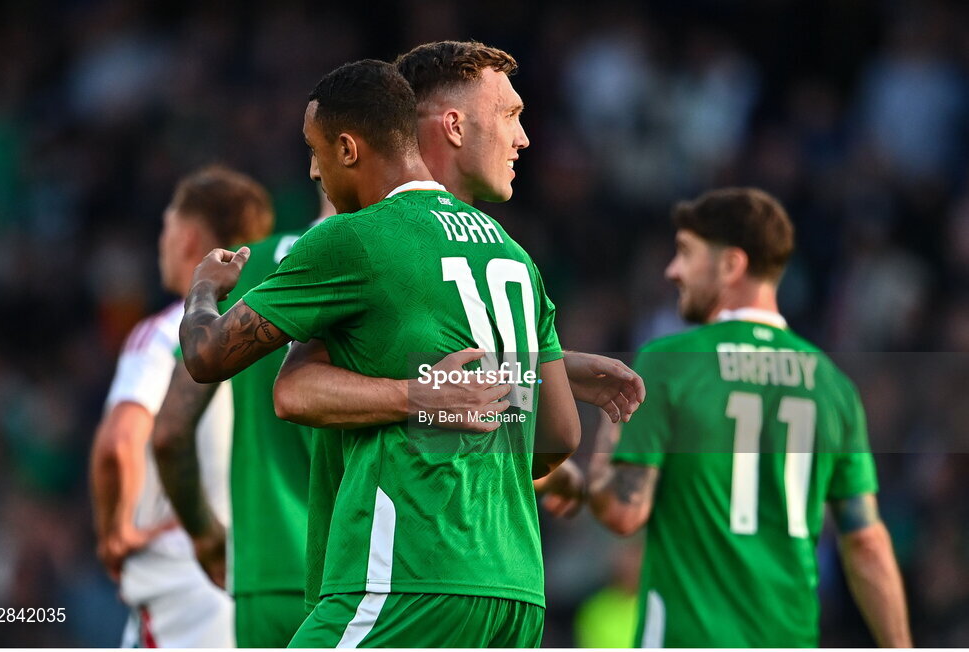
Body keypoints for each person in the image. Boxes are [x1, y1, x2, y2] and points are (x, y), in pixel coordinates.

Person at [153, 41, 643, 644]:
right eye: (513, 116)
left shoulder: (354, 241)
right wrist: (543, 375)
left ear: (348, 148)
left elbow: (217, 363)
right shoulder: (516, 259)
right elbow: (558, 435)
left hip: (402, 571)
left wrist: (202, 290)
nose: (312, 171)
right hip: (515, 587)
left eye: (315, 152)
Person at [588, 187, 912, 647]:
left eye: (686, 254)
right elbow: (866, 542)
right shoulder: (832, 384)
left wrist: (606, 444)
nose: (672, 271)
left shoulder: (669, 363)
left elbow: (624, 512)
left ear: (731, 265)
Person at [88, 165, 273, 647]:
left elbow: (119, 441)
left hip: (182, 579)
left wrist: (115, 531)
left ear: (190, 238)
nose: (160, 242)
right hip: (259, 574)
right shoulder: (276, 333)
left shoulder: (166, 332)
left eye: (166, 226)